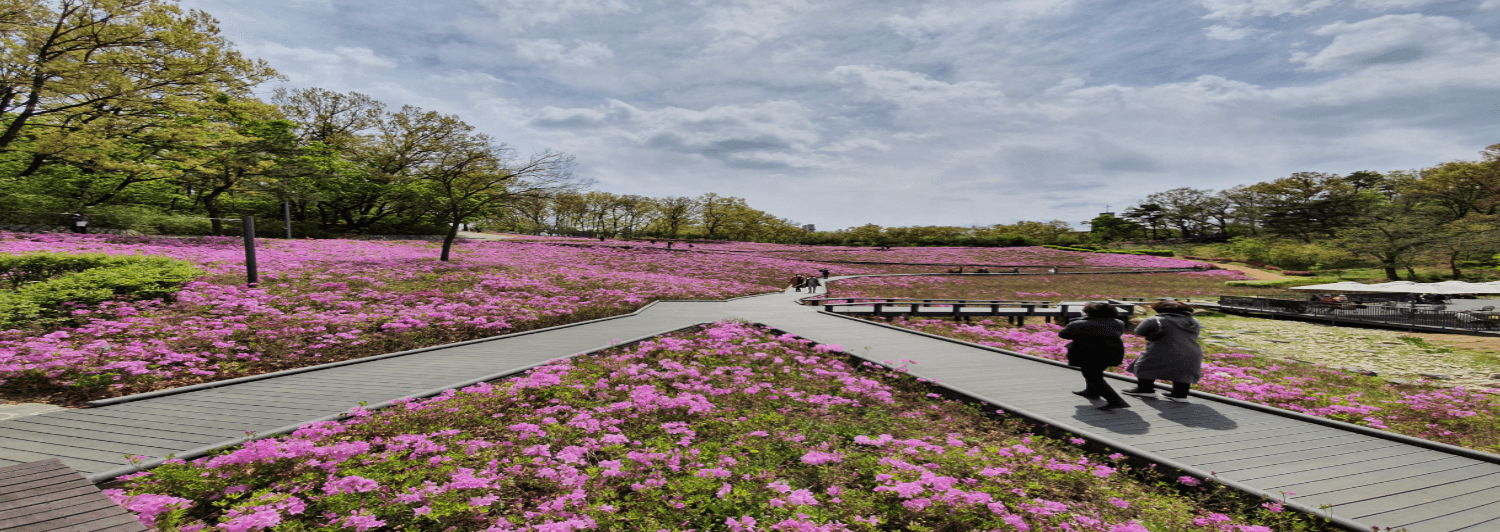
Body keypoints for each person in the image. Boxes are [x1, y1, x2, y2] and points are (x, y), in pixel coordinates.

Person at [1124, 301, 1203, 401]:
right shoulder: (1194, 321)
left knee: (1144, 366)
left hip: (1161, 349)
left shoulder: (1155, 319)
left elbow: (1139, 331)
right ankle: (1179, 395)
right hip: (1192, 351)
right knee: (1184, 372)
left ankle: (1145, 390)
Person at [1058, 302, 1129, 410]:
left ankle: (1116, 400)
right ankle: (1091, 392)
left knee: (1092, 376)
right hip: (1112, 351)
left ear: (1088, 312)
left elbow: (1064, 334)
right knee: (1096, 372)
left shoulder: (1078, 324)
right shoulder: (1118, 323)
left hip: (1088, 352)